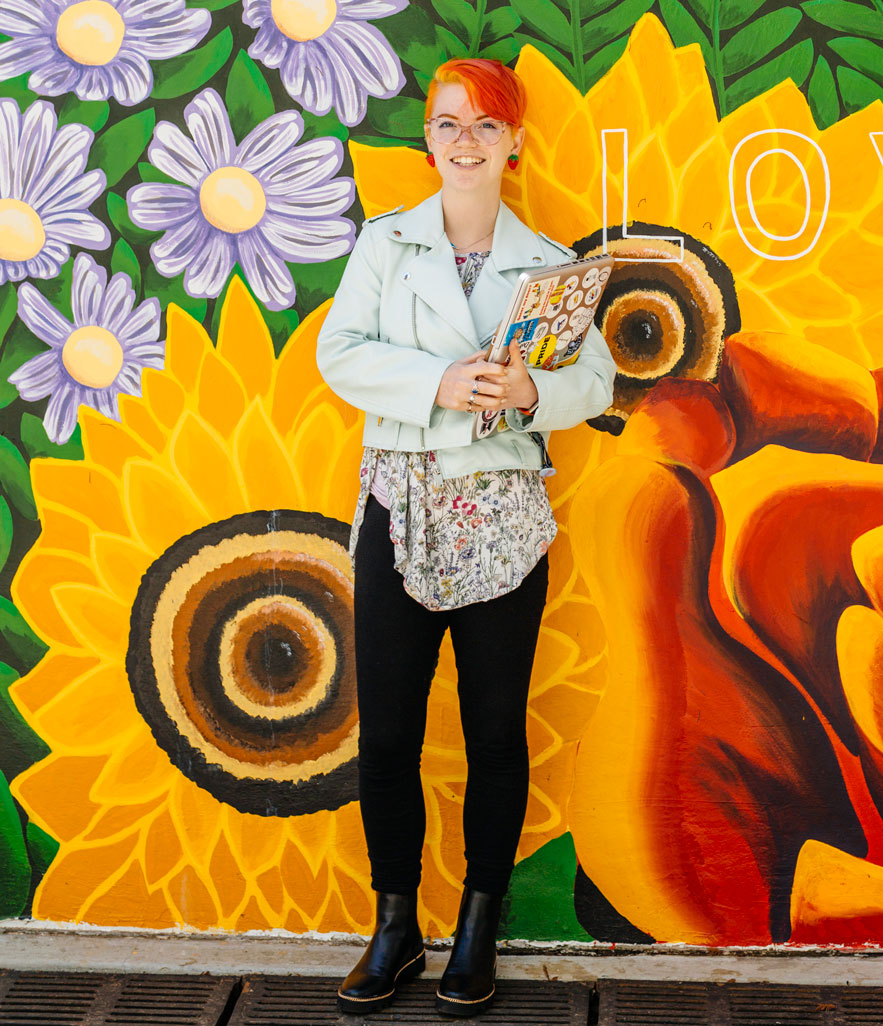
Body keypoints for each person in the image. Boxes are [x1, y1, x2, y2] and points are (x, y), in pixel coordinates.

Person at [315, 58, 616, 1017]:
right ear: (429, 141)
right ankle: (395, 923)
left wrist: (536, 390)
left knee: (494, 729)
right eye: (449, 125)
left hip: (504, 515)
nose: (466, 142)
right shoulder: (385, 245)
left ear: (515, 142)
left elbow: (597, 383)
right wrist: (436, 383)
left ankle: (481, 922)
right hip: (400, 507)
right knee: (393, 728)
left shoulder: (553, 263)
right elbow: (339, 353)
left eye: (487, 125)